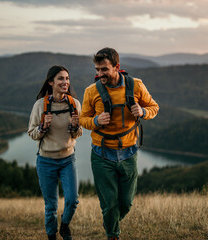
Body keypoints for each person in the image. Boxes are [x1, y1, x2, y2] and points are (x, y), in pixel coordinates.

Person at [79, 47, 159, 240]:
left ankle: (110, 220)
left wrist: (142, 112)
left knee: (126, 203)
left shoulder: (136, 86)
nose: (100, 74)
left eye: (104, 69)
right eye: (97, 70)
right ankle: (112, 233)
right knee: (109, 203)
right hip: (101, 154)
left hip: (129, 152)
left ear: (117, 67)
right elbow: (83, 119)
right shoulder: (91, 91)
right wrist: (97, 121)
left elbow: (154, 107)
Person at [28, 65, 82, 240]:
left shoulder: (75, 104)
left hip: (68, 159)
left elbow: (77, 133)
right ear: (51, 82)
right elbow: (32, 133)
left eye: (67, 78)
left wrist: (75, 126)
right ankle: (52, 236)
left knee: (73, 200)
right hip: (46, 161)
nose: (65, 82)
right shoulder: (40, 105)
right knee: (51, 206)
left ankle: (64, 225)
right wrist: (43, 127)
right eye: (61, 78)